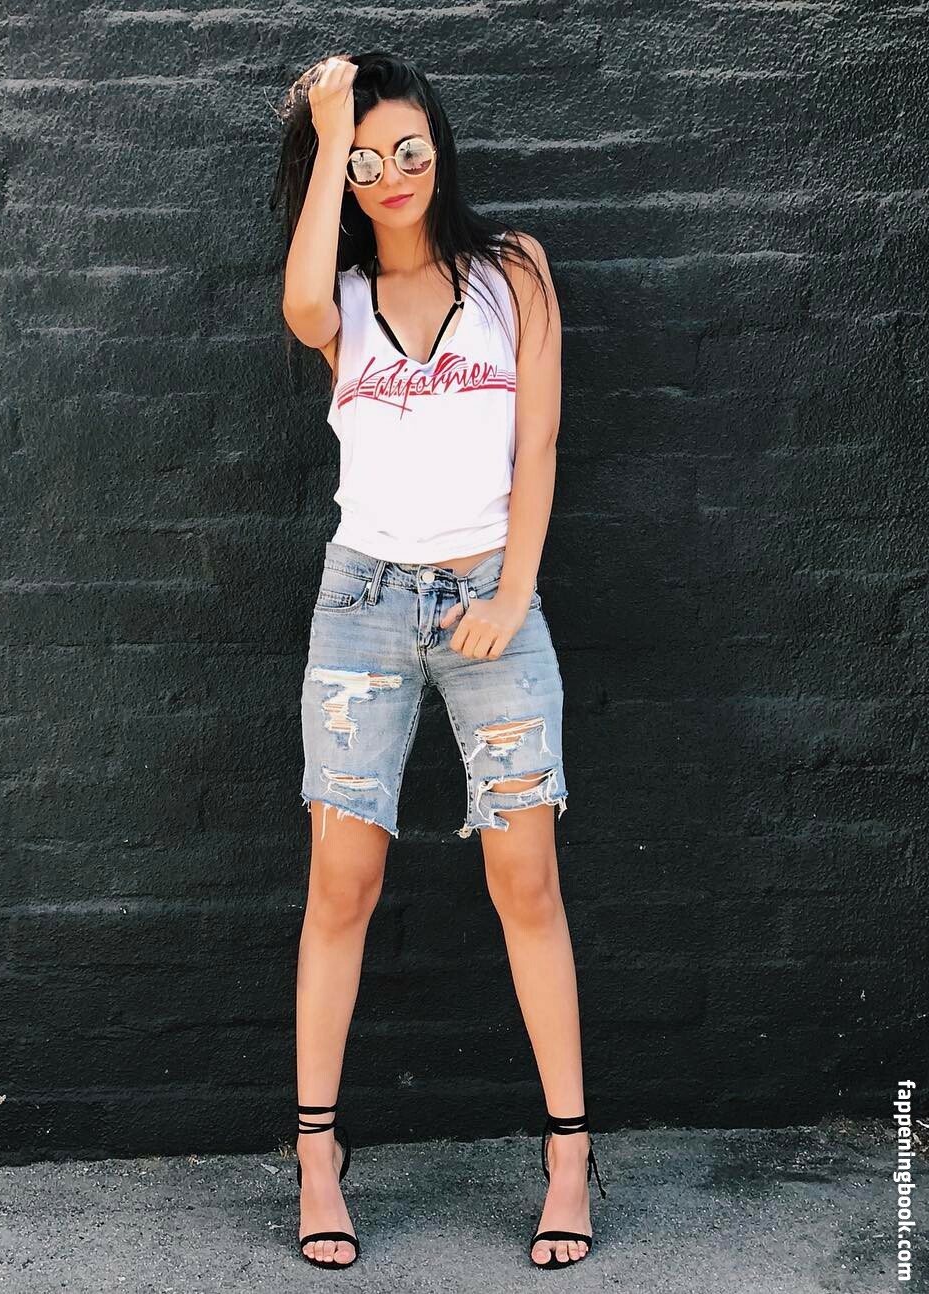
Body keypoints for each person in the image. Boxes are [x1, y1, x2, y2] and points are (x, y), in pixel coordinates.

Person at [271, 50, 606, 1271]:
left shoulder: (514, 271)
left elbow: (540, 443)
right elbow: (300, 306)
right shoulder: (343, 298)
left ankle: (568, 1156)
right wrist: (328, 132)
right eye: (366, 162)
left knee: (528, 880)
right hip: (361, 606)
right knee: (342, 884)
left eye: (409, 149)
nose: (394, 175)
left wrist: (512, 593)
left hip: (489, 599)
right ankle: (318, 1155)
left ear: (440, 148)